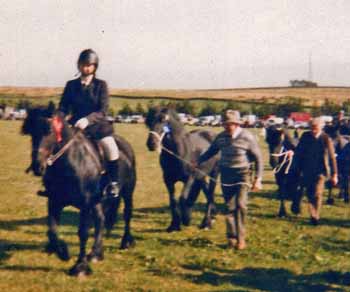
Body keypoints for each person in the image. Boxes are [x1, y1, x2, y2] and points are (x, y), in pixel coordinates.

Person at [194, 110, 263, 250]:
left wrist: (258, 179)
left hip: (243, 174)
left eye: (230, 124)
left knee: (241, 205)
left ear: (236, 124)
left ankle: (241, 239)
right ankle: (232, 238)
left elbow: (258, 158)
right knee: (230, 207)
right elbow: (211, 151)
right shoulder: (220, 137)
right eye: (225, 124)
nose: (227, 127)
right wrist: (198, 161)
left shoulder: (247, 137)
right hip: (226, 174)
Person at [58, 49, 120, 197]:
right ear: (78, 66)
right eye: (83, 65)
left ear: (95, 67)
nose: (86, 68)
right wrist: (57, 118)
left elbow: (103, 110)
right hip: (76, 128)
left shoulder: (101, 85)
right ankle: (53, 184)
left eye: (89, 65)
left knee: (111, 148)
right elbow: (63, 107)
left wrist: (88, 120)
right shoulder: (71, 85)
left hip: (98, 127)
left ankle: (113, 183)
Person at [295, 117, 338, 225]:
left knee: (317, 193)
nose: (313, 130)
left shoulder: (326, 138)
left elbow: (332, 157)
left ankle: (315, 216)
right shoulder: (305, 136)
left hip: (321, 172)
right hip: (306, 170)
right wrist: (295, 168)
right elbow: (299, 153)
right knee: (310, 193)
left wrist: (335, 174)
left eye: (316, 128)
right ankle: (311, 211)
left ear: (321, 127)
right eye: (311, 127)